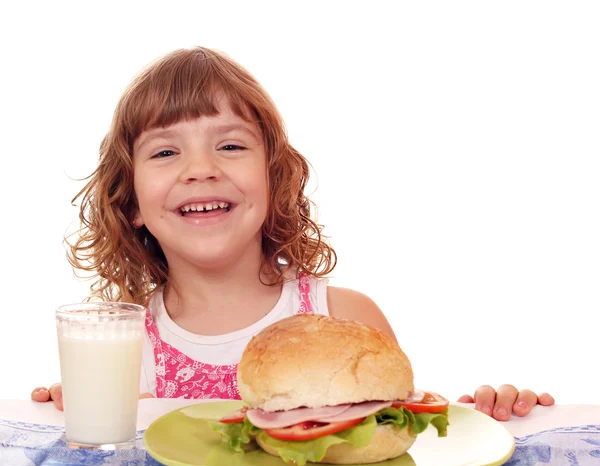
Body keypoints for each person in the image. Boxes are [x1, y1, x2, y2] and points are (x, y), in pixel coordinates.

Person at [31, 46, 554, 422]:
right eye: (166, 152)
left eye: (231, 146)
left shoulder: (344, 318)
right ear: (131, 201)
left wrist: (488, 414)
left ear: (274, 179)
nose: (200, 169)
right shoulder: (122, 346)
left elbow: (402, 440)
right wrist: (74, 409)